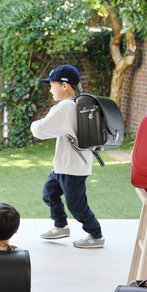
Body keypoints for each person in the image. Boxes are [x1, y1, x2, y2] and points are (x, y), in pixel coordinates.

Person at [30, 64, 105, 248]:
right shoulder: (77, 104)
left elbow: (40, 130)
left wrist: (33, 124)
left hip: (73, 168)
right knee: (50, 192)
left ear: (64, 85)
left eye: (52, 85)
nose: (50, 90)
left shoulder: (65, 107)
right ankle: (60, 226)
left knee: (76, 205)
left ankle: (96, 235)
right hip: (65, 165)